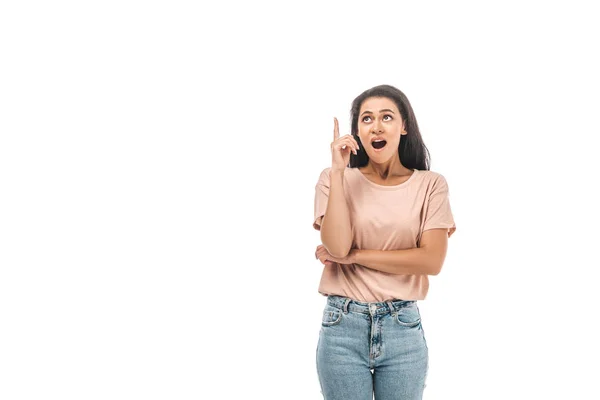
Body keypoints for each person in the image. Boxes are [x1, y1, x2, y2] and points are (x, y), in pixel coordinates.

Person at [312, 84, 456, 400]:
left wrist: (356, 256)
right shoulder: (332, 179)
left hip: (401, 326)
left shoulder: (431, 185)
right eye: (366, 119)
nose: (376, 126)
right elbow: (337, 248)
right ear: (357, 132)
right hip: (342, 327)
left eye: (386, 117)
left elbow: (431, 261)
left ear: (403, 126)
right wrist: (339, 172)